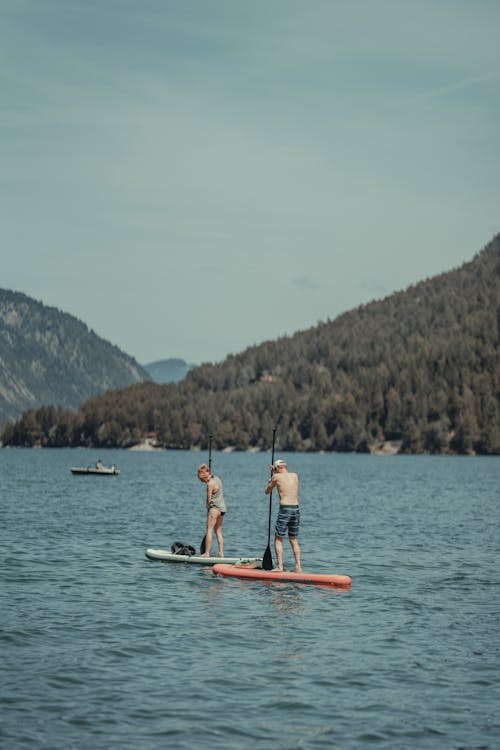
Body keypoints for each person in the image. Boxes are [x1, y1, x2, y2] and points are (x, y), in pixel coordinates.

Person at [265, 458, 301, 572]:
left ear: (279, 468)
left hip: (285, 509)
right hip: (296, 509)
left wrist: (271, 478)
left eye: (276, 469)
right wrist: (274, 473)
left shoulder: (276, 477)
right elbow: (283, 479)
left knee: (278, 538)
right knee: (293, 539)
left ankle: (280, 567)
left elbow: (267, 491)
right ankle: (298, 566)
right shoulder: (295, 475)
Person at [197, 463, 226, 557]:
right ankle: (221, 552)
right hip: (222, 509)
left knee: (209, 530)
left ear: (204, 476)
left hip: (214, 509)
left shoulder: (209, 484)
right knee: (218, 531)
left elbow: (209, 500)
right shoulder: (217, 479)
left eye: (201, 480)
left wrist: (207, 506)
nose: (202, 481)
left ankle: (207, 553)